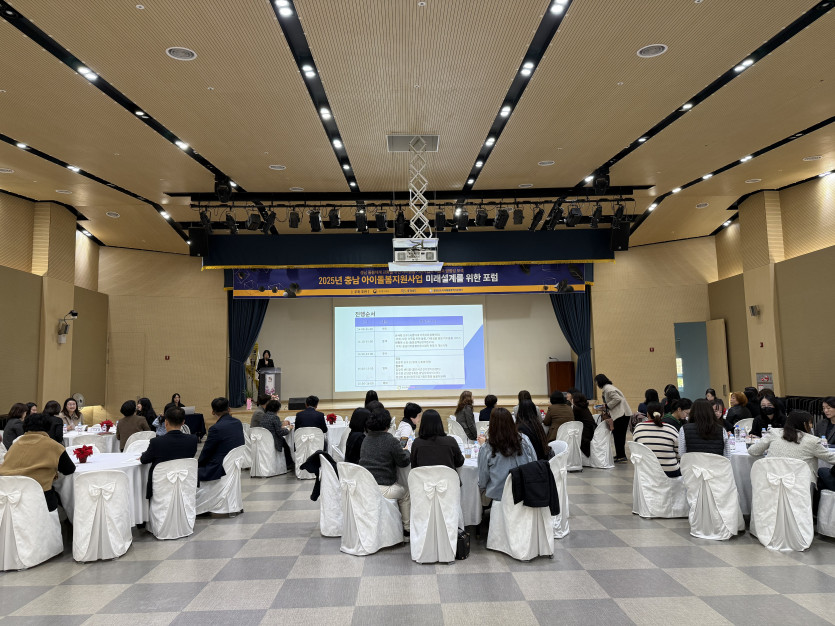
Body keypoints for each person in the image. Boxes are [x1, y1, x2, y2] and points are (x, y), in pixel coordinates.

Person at [0, 413, 76, 511]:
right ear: (48, 427)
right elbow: (69, 469)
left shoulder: (15, 445)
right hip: (39, 499)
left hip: (9, 497)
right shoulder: (53, 446)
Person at [359, 408, 411, 533]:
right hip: (384, 487)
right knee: (405, 493)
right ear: (388, 424)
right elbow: (403, 462)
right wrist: (407, 451)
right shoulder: (390, 440)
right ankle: (407, 528)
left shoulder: (366, 439)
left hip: (365, 486)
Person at [750, 410, 835, 480]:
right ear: (804, 424)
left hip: (771, 480)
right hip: (801, 484)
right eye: (810, 423)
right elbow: (831, 458)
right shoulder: (812, 441)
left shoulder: (774, 433)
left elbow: (753, 451)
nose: (811, 426)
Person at [477, 407, 536, 502]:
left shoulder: (487, 447)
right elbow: (534, 462)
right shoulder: (524, 440)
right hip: (525, 493)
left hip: (499, 497)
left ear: (492, 425)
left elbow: (482, 480)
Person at [139, 407, 199, 499]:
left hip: (161, 486)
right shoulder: (193, 440)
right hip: (184, 483)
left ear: (166, 422)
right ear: (183, 422)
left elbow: (144, 460)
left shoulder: (156, 442)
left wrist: (143, 455)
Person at [198, 397, 245, 482]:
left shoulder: (215, 428)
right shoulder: (238, 423)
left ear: (213, 412)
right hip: (234, 464)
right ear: (229, 409)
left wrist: (198, 464)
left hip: (219, 469)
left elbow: (206, 452)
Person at [633, 401, 681, 477]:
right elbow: (679, 453)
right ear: (663, 414)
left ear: (647, 414)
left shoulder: (638, 428)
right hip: (669, 472)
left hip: (646, 472)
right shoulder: (671, 429)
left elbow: (637, 450)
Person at [595, 374, 633, 463]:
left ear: (600, 381)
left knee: (618, 435)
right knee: (618, 435)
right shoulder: (609, 387)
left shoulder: (608, 389)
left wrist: (607, 405)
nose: (596, 384)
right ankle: (620, 455)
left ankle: (621, 456)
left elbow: (617, 399)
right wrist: (605, 406)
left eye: (596, 382)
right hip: (622, 414)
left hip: (621, 414)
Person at [259, 399, 295, 469]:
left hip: (264, 440)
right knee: (286, 444)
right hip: (273, 440)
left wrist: (281, 424)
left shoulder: (264, 416)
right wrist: (289, 428)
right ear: (277, 408)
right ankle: (289, 464)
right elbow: (281, 433)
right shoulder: (275, 417)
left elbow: (272, 426)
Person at [571, 393, 597, 458]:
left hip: (586, 434)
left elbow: (573, 420)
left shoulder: (576, 409)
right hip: (592, 430)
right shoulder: (585, 407)